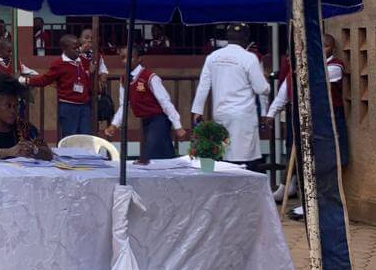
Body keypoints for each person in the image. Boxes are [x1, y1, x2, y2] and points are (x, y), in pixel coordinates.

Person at [263, 33, 349, 219]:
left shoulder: (335, 66)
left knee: (326, 164)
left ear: (332, 48)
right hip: (304, 123)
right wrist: (271, 114)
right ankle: (307, 203)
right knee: (305, 163)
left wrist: (300, 67)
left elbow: (318, 81)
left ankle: (323, 205)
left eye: (326, 47)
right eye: (320, 47)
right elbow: (283, 94)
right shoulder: (298, 70)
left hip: (327, 122)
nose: (322, 50)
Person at [190, 23, 271, 169]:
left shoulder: (213, 56)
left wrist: (198, 111)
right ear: (246, 38)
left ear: (227, 37)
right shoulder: (249, 58)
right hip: (243, 116)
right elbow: (260, 88)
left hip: (220, 113)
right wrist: (267, 83)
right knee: (244, 161)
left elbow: (203, 85)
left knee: (224, 157)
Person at [104, 45, 186, 160]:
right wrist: (114, 124)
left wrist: (178, 126)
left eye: (130, 57)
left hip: (159, 119)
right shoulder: (124, 80)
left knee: (150, 155)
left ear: (139, 59)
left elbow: (165, 102)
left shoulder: (150, 77)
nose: (126, 61)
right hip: (146, 121)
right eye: (122, 58)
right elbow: (124, 106)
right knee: (165, 155)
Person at [22, 34, 93, 138]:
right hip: (68, 106)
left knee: (86, 137)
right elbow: (45, 80)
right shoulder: (58, 64)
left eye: (78, 47)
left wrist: (89, 73)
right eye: (74, 48)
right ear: (65, 49)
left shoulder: (82, 61)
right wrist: (26, 81)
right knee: (70, 137)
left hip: (84, 105)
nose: (78, 50)